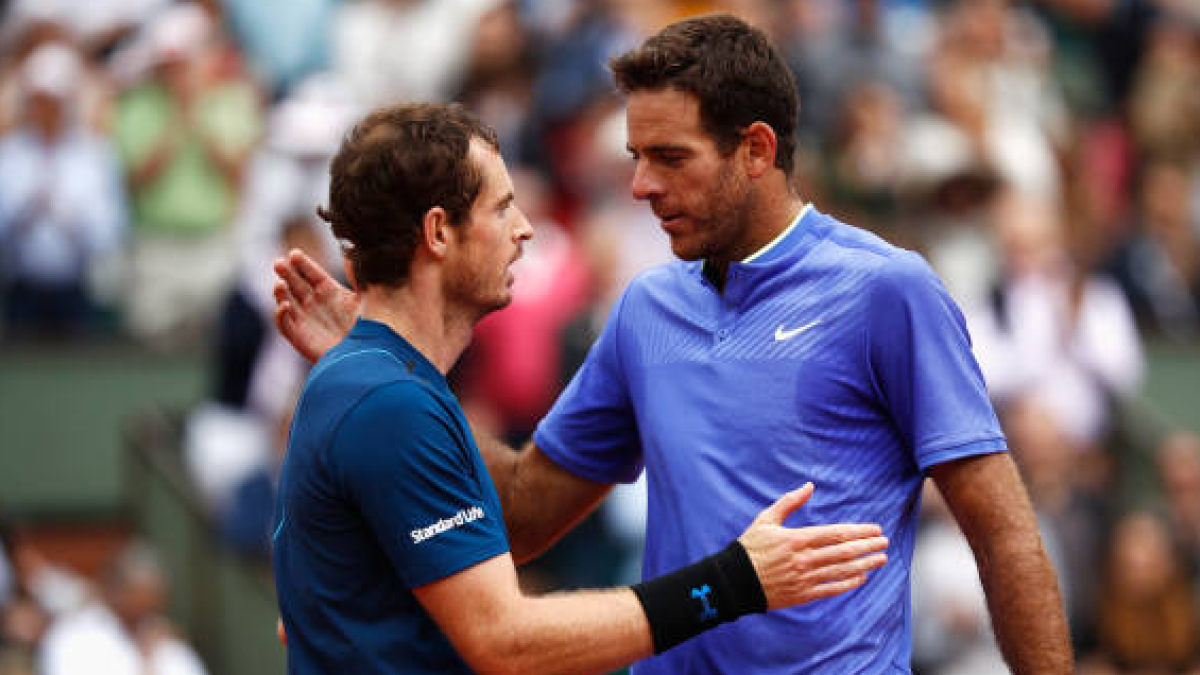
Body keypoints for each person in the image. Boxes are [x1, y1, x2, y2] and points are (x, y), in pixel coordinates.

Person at [273, 15, 1072, 674]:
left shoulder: (888, 291)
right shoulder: (645, 309)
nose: (640, 186)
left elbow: (1002, 530)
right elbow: (519, 511)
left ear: (757, 150)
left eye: (670, 158)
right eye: (636, 157)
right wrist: (387, 353)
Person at [272, 102, 889, 675]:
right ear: (438, 232)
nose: (524, 229)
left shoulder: (376, 385)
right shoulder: (386, 402)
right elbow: (505, 641)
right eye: (500, 208)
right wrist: (736, 582)